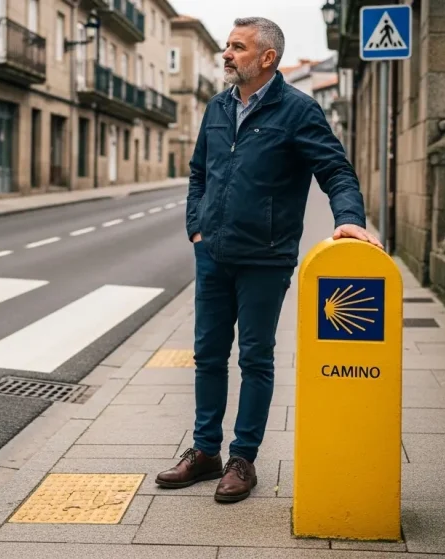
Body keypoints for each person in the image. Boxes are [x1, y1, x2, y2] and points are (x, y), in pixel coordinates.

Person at [155, 17, 382, 503]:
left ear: (266, 59)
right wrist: (196, 226)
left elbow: (336, 172)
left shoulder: (298, 111)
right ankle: (204, 451)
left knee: (255, 357)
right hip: (213, 253)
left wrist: (350, 220)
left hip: (265, 258)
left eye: (237, 47)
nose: (226, 54)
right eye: (227, 46)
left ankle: (243, 459)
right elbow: (198, 173)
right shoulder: (217, 107)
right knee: (209, 357)